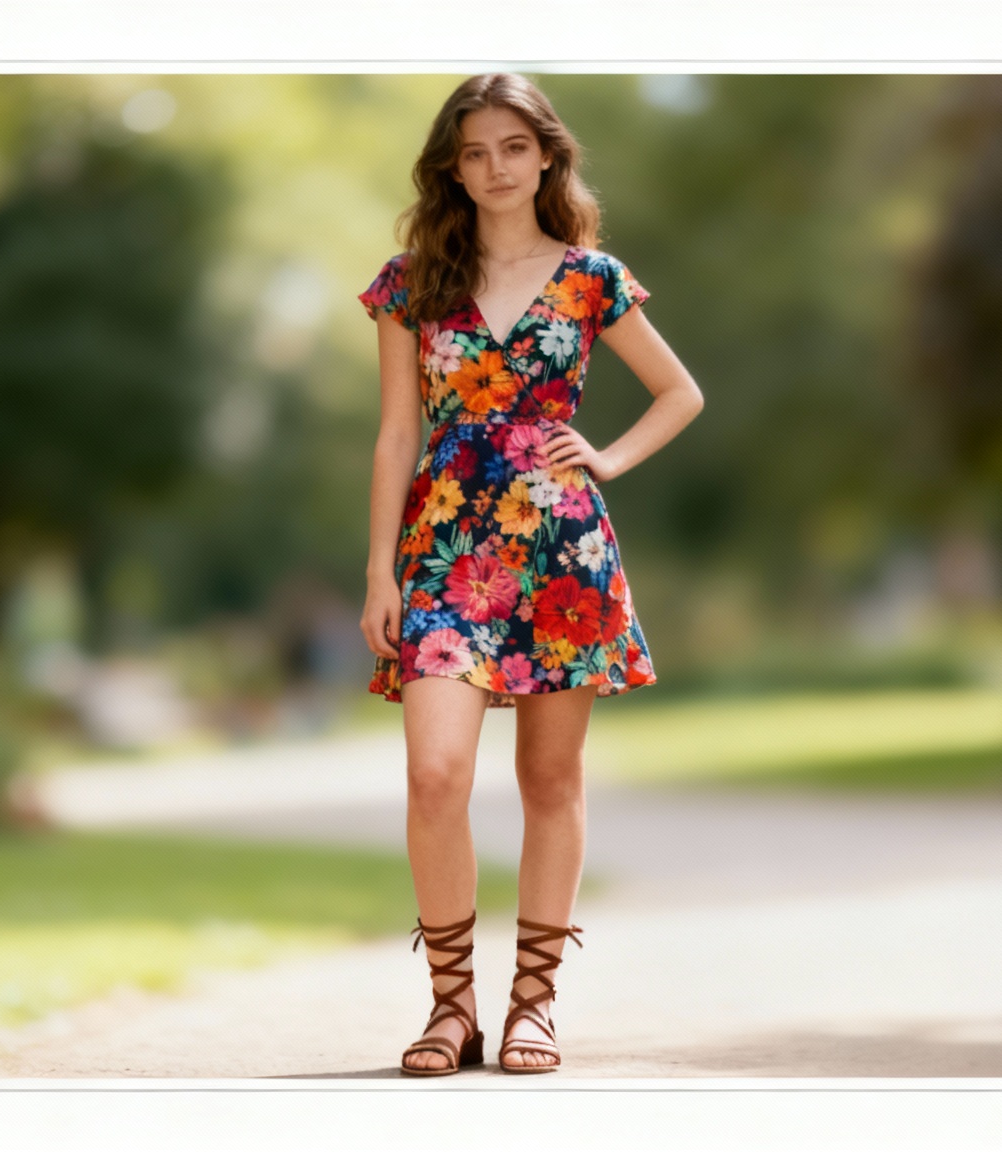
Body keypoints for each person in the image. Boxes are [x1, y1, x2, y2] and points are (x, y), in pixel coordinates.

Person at [356, 73, 705, 1075]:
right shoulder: (409, 281)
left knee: (548, 781)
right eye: (472, 152)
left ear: (545, 154)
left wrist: (608, 456)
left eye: (512, 147)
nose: (493, 168)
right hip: (442, 549)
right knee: (434, 774)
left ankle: (533, 1007)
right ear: (450, 167)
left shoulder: (592, 276)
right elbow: (392, 436)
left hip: (560, 551)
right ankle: (450, 1006)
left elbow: (678, 392)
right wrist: (379, 570)